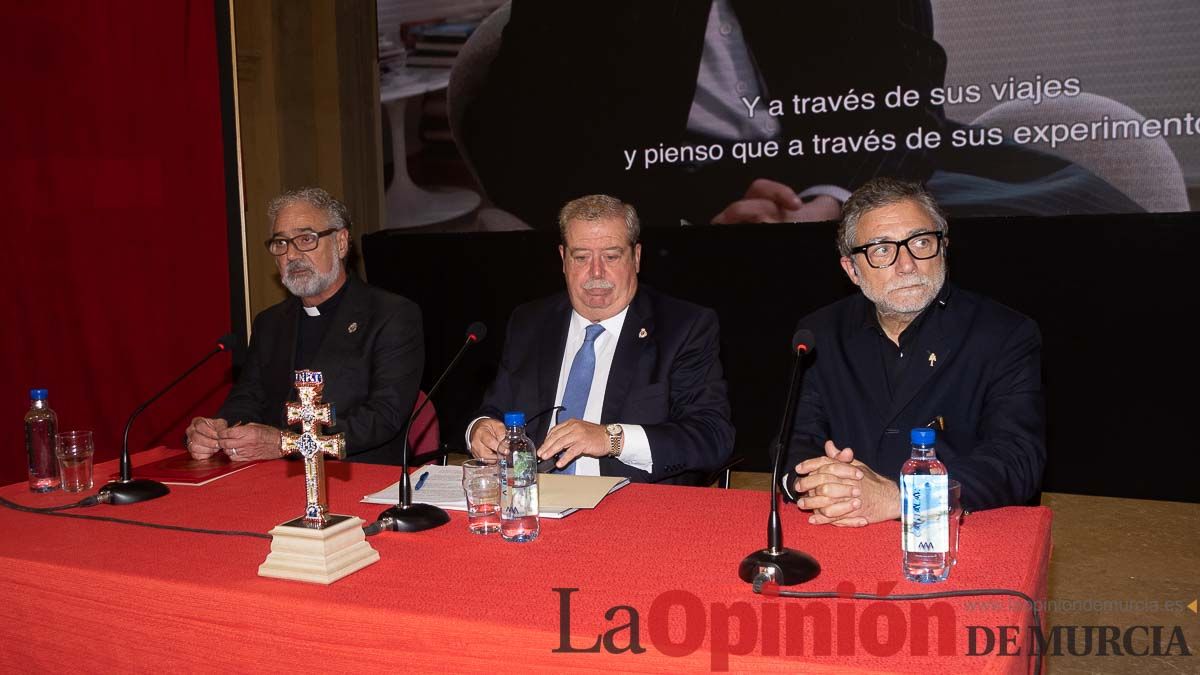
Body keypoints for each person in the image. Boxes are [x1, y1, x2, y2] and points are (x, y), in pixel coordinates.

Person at [460, 1, 1140, 230]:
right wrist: (690, 213)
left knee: (1083, 216)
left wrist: (837, 197)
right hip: (687, 208)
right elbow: (522, 144)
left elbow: (907, 87)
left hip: (870, 169)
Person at [782, 177, 1045, 523]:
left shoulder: (1003, 333)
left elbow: (1017, 459)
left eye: (921, 242)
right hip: (842, 524)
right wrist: (818, 484)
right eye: (881, 250)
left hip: (956, 533)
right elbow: (795, 441)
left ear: (944, 247)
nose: (906, 265)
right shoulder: (819, 332)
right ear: (852, 270)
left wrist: (903, 498)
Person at [467, 194, 734, 484]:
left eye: (611, 256)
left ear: (636, 257)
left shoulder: (684, 327)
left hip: (633, 510)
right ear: (563, 259)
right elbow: (495, 409)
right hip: (531, 499)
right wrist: (480, 429)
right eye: (581, 257)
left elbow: (712, 437)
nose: (596, 272)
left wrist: (611, 438)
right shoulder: (530, 323)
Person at [185, 187, 424, 464]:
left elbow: (383, 417)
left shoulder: (391, 315)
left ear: (341, 242)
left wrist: (288, 444)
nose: (291, 255)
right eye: (281, 243)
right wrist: (218, 428)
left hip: (356, 477)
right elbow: (247, 399)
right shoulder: (270, 323)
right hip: (269, 479)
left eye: (305, 239)